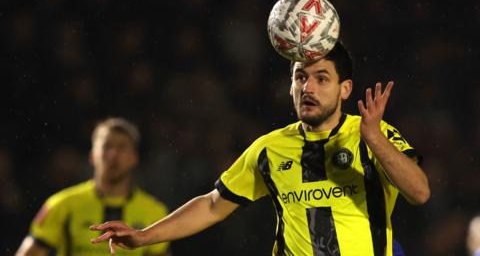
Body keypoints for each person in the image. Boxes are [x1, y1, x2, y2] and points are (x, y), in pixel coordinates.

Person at [90, 42, 430, 256]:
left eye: (321, 78)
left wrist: (374, 140)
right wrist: (143, 236)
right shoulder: (270, 149)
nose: (307, 87)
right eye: (299, 77)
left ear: (345, 89)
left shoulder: (373, 133)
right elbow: (212, 205)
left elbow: (419, 192)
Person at [16, 117, 171, 256]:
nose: (113, 154)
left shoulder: (155, 211)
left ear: (134, 158)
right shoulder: (62, 204)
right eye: (107, 146)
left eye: (122, 147)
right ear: (92, 155)